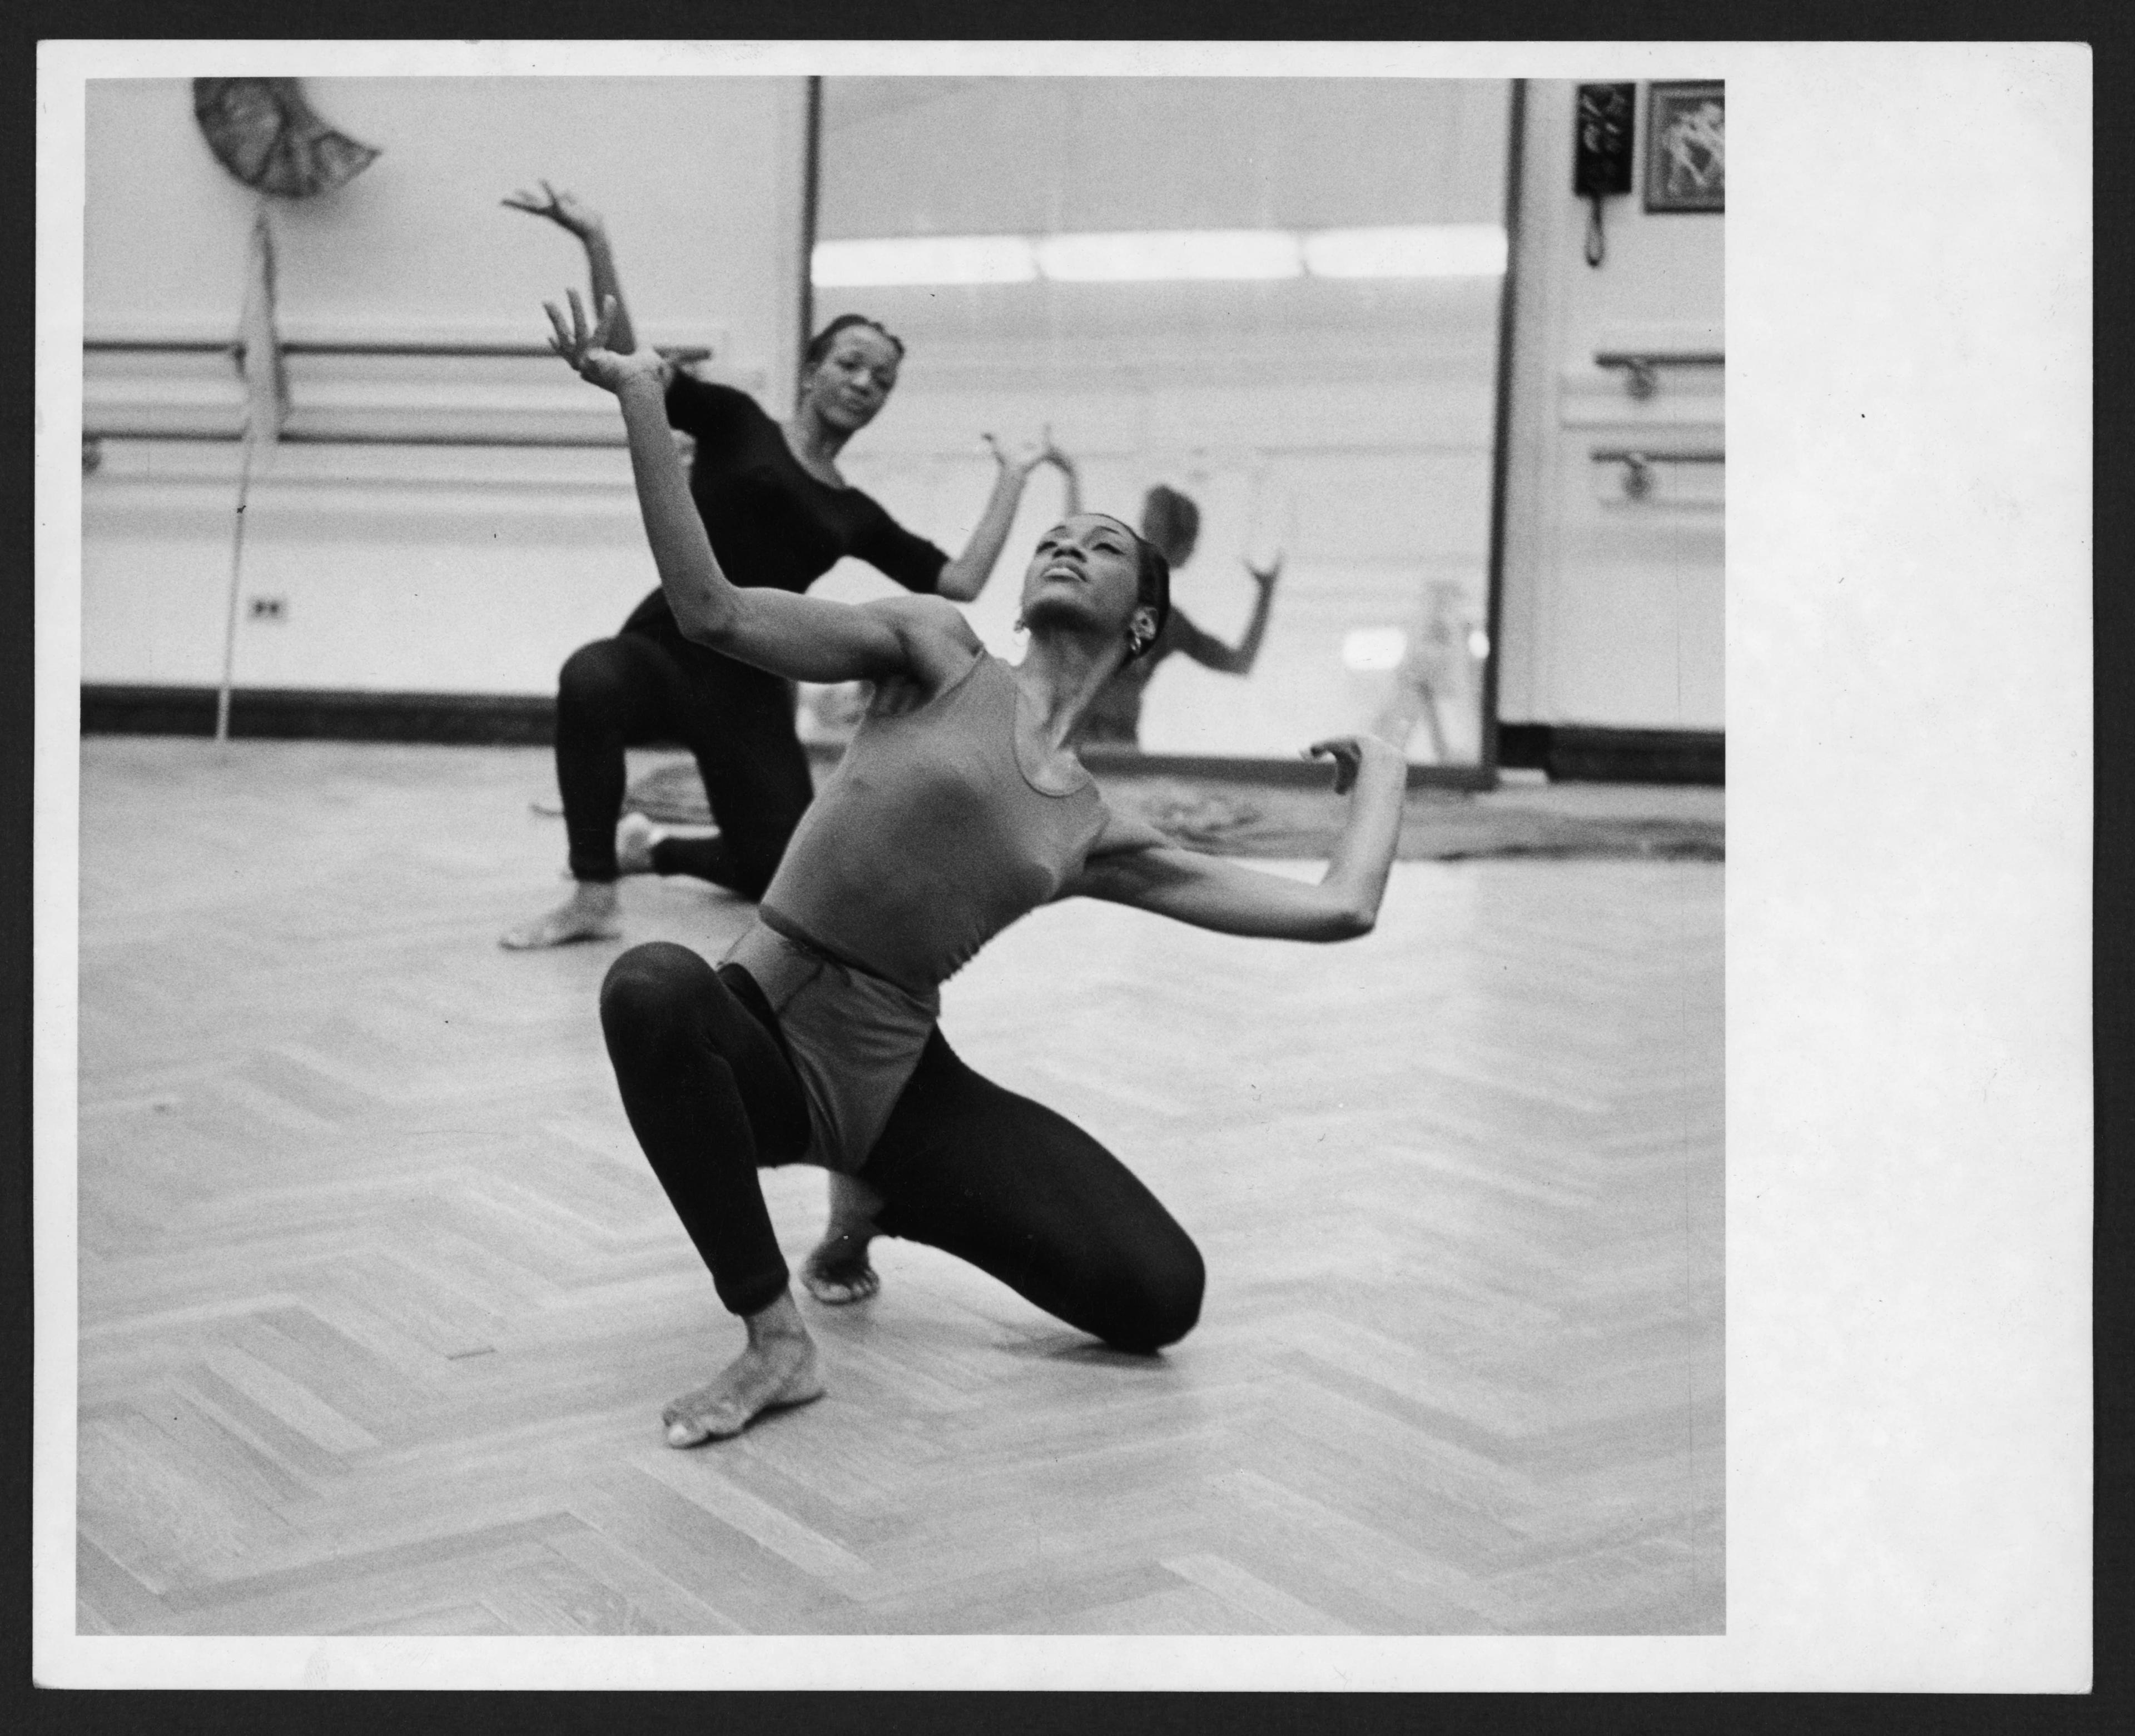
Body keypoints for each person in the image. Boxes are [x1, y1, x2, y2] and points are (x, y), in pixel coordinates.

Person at [547, 291, 1408, 1446]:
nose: (1067, 544)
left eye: (1101, 547)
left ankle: (876, 1197)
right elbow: (711, 613)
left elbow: (1340, 908)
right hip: (752, 1037)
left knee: (1159, 1296)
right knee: (650, 984)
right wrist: (645, 405)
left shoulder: (1097, 827)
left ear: (1143, 626)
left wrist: (1387, 772)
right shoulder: (931, 653)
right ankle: (773, 1336)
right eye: (1057, 538)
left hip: (899, 1084)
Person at [498, 183, 1064, 948]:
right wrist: (596, 238)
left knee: (781, 871)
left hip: (755, 678)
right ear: (812, 369)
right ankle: (593, 892)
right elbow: (639, 370)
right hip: (668, 647)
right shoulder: (738, 422)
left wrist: (1014, 475)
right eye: (853, 364)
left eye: (882, 380)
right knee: (590, 677)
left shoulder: (854, 509)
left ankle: (651, 850)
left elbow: (958, 580)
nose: (865, 384)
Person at [1042, 455, 1283, 748]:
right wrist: (1266, 593)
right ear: (1185, 547)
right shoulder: (1163, 619)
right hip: (1101, 743)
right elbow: (1240, 663)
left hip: (1086, 741)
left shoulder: (1155, 614)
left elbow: (1076, 542)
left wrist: (1071, 477)